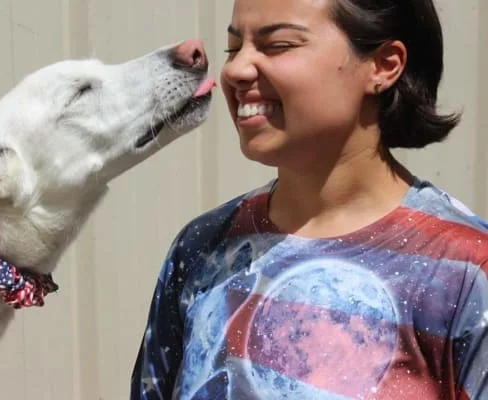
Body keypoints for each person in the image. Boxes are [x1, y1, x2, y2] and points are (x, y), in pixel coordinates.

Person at [131, 0, 488, 398]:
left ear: (384, 65)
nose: (235, 69)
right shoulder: (201, 248)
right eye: (234, 48)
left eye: (278, 45)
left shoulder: (464, 271)